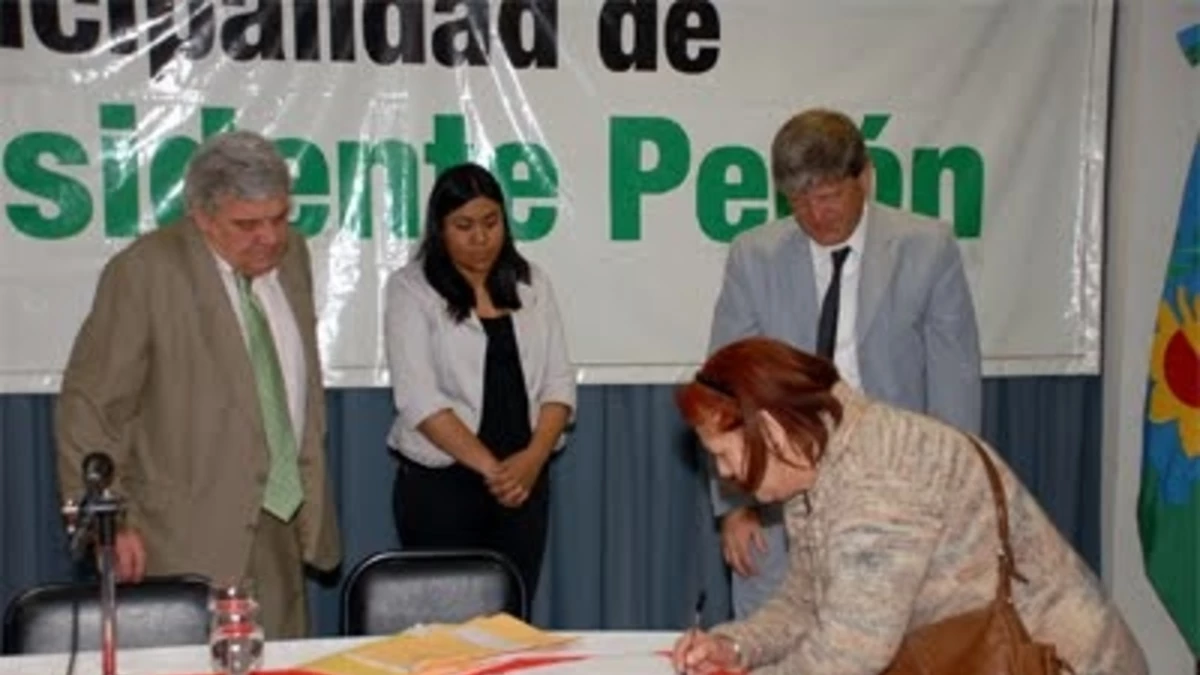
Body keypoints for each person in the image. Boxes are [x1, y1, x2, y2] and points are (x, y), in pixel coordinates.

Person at [671, 337, 1146, 675]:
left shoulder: (882, 473)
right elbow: (806, 602)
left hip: (1054, 662)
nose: (724, 474)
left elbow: (849, 652)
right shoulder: (813, 467)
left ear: (772, 431)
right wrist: (735, 646)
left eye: (723, 454)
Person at [55, 130, 341, 638]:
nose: (270, 237)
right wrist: (107, 525)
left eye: (279, 217)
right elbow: (92, 405)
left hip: (279, 519)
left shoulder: (292, 256)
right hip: (179, 535)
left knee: (282, 662)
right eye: (247, 225)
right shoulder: (144, 271)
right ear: (202, 217)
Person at [707, 107, 982, 617]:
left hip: (896, 491)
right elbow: (728, 389)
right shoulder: (753, 256)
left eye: (829, 196)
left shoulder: (927, 249)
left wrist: (953, 504)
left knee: (891, 640)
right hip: (779, 498)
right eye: (799, 201)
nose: (816, 214)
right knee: (771, 638)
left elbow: (954, 388)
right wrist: (737, 505)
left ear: (866, 177)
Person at [384, 162, 574, 600]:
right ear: (440, 229)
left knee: (512, 618)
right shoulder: (411, 289)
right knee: (445, 622)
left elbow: (558, 382)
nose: (481, 237)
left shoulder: (531, 283)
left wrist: (532, 460)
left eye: (491, 222)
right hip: (442, 484)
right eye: (464, 226)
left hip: (525, 481)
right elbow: (418, 398)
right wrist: (494, 471)